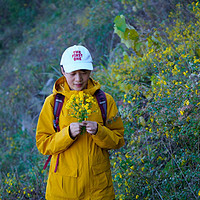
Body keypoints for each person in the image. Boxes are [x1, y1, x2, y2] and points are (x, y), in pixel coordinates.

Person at [36, 45, 125, 200]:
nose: (78, 79)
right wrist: (67, 134)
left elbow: (118, 140)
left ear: (90, 71)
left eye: (83, 72)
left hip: (99, 190)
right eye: (73, 73)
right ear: (63, 71)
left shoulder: (105, 101)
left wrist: (99, 131)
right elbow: (43, 144)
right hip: (63, 191)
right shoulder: (53, 103)